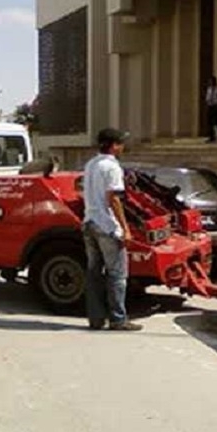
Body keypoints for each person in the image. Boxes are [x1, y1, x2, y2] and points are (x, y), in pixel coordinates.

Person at [82, 128, 143, 332]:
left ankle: (96, 319)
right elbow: (114, 198)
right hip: (106, 225)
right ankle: (118, 319)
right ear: (114, 145)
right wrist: (125, 228)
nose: (123, 147)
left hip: (89, 221)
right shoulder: (112, 167)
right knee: (117, 275)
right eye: (121, 143)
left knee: (94, 274)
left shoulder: (91, 164)